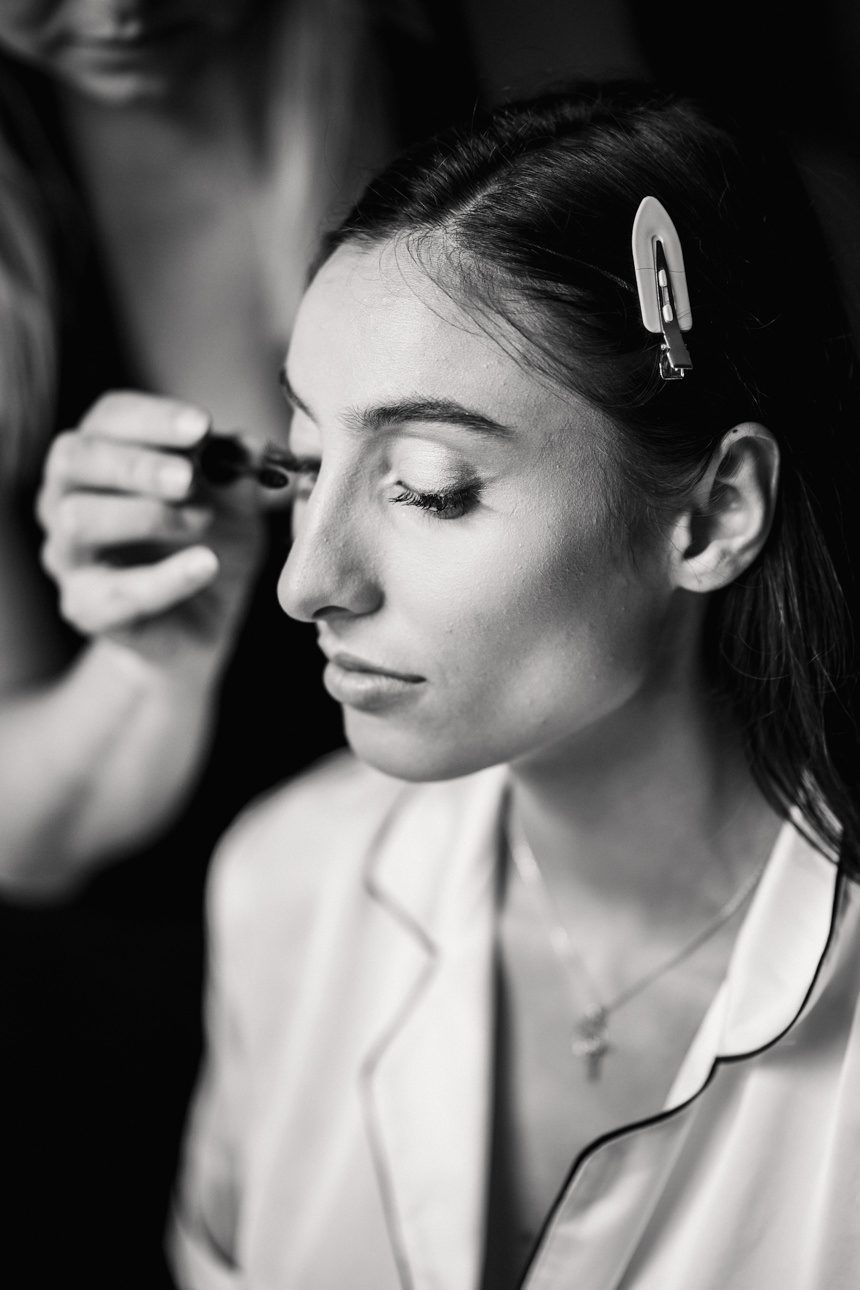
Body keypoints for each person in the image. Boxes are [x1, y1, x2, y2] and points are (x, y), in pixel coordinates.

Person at [47, 80, 860, 1286]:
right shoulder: (287, 886)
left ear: (708, 515)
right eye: (304, 464)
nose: (305, 584)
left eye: (430, 488)